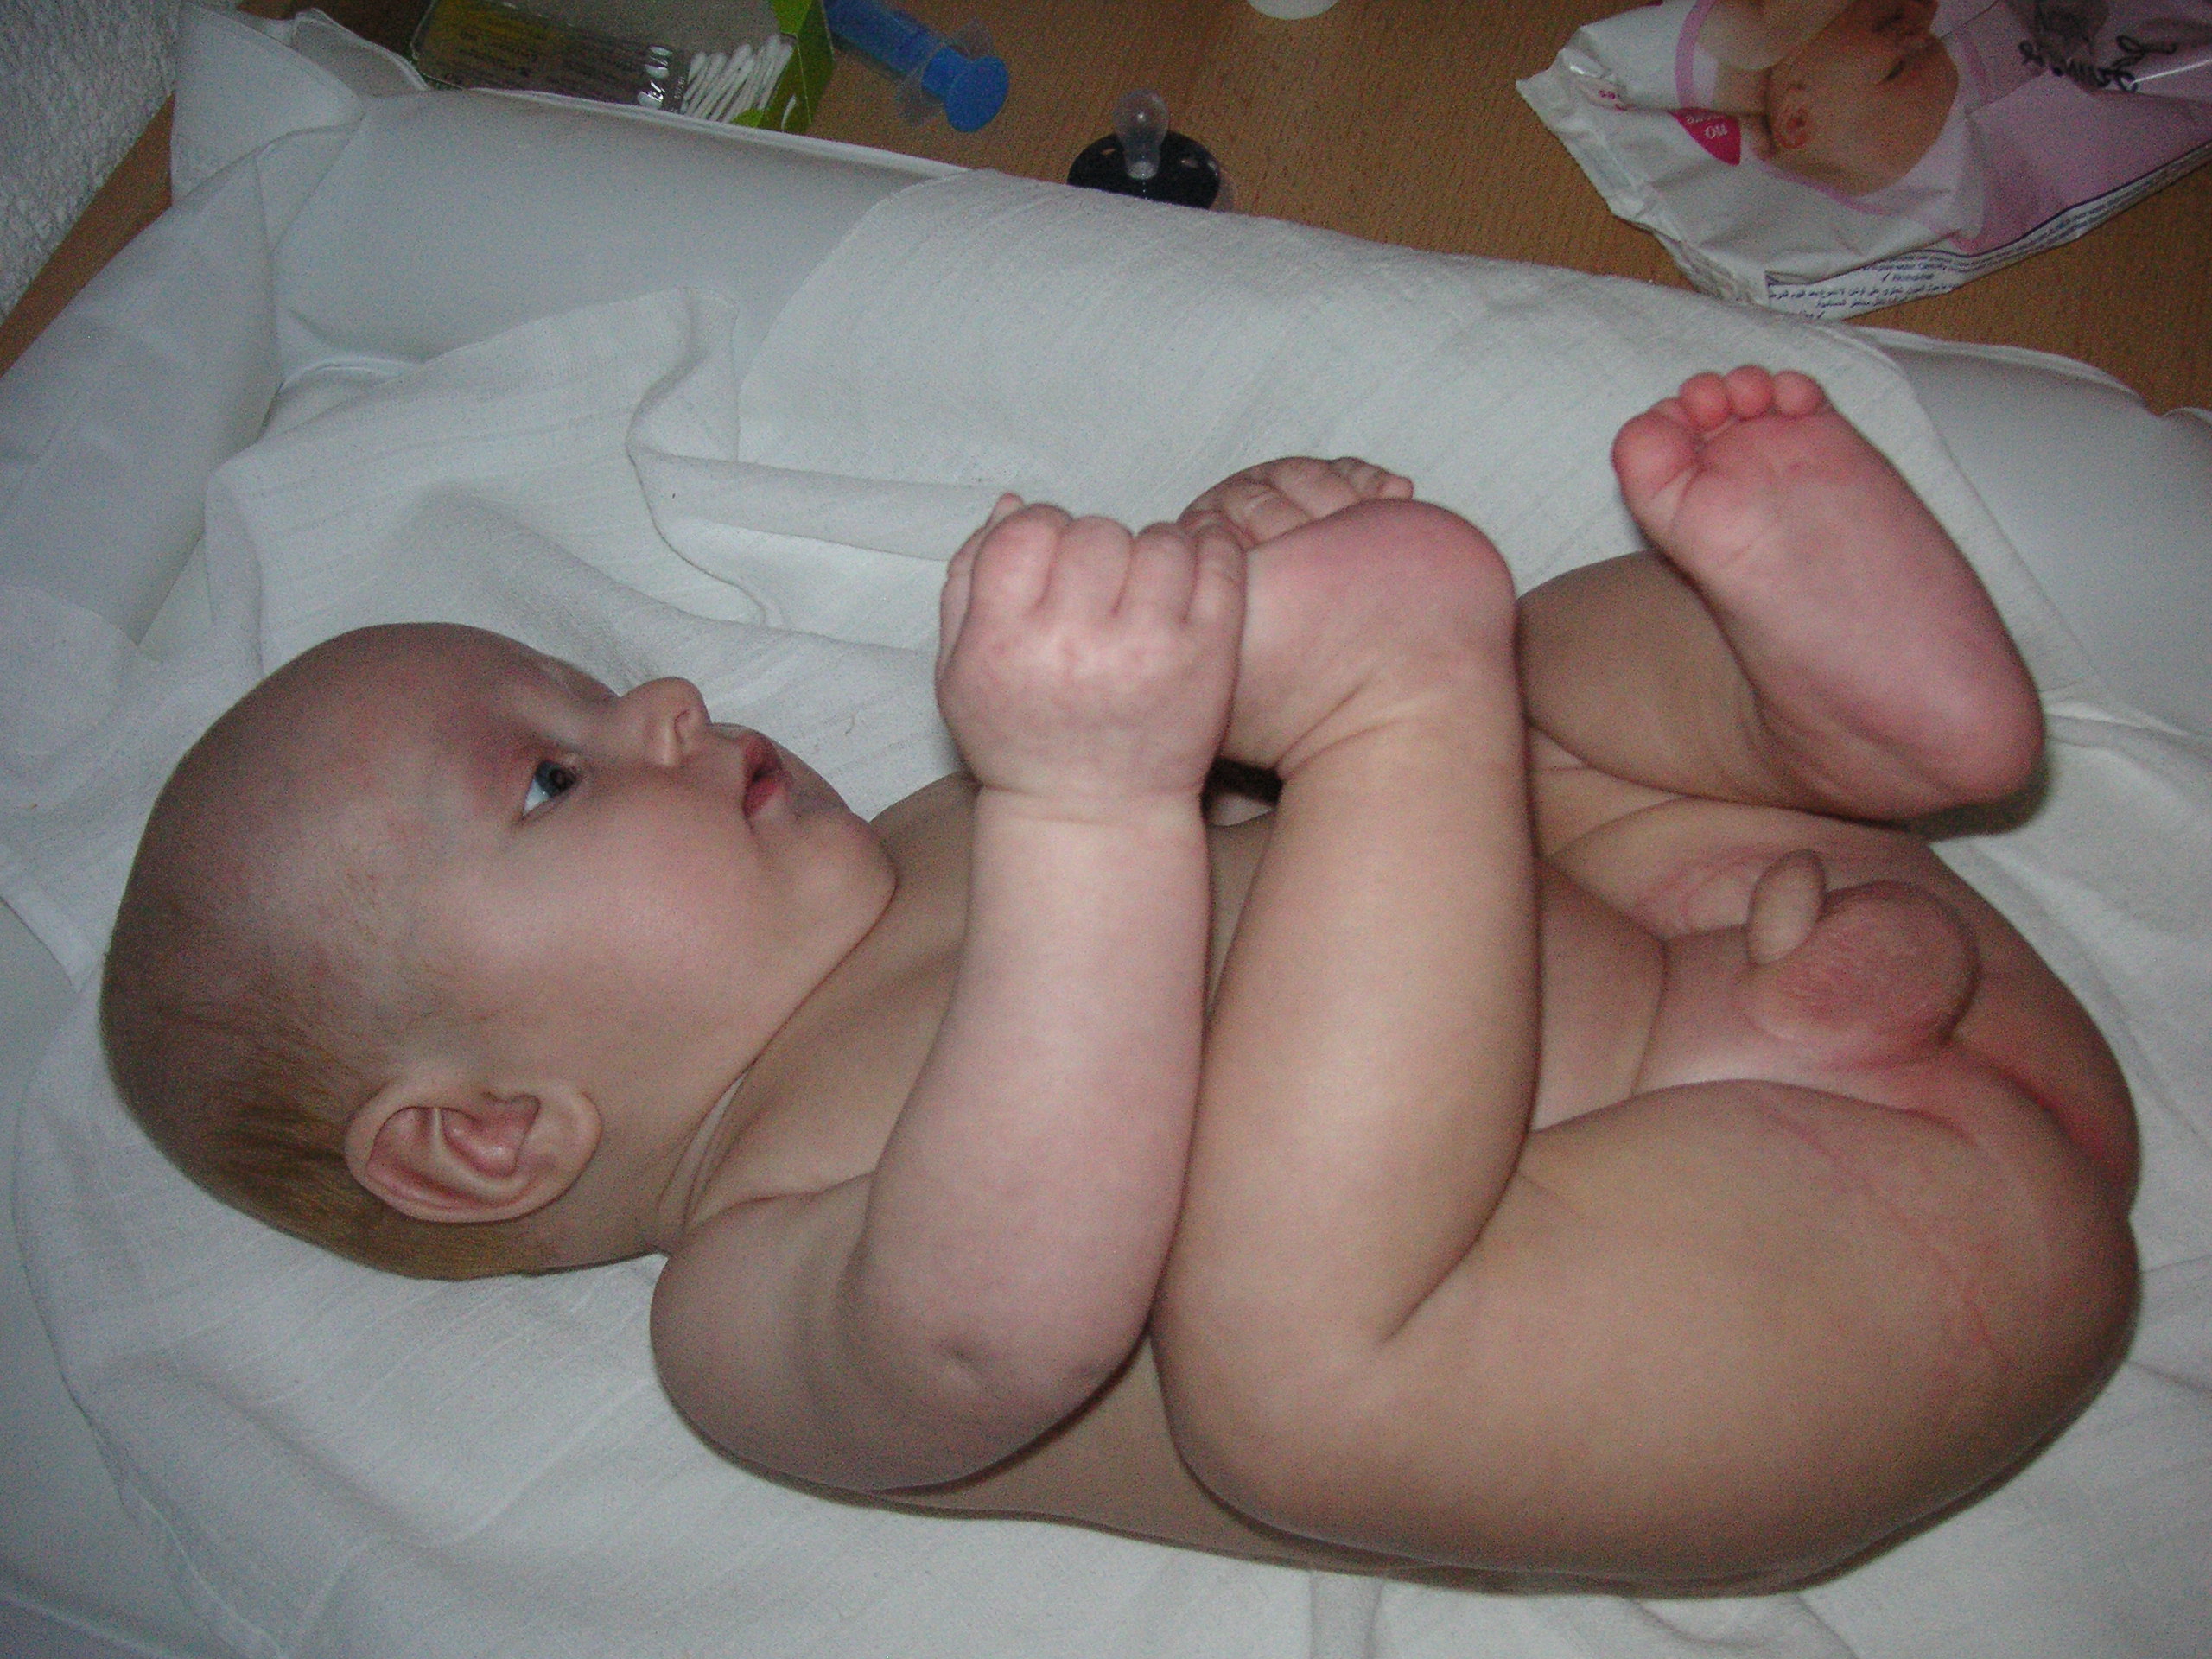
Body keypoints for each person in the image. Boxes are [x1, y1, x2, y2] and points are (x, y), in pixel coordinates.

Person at [100, 366, 2137, 1586]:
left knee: (1519, 704)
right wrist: (1095, 799)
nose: (662, 701)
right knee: (1280, 1387)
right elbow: (997, 1318)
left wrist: (1221, 605)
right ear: (485, 1135)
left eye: (592, 685)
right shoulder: (743, 1304)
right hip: (1807, 1295)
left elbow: (1307, 861)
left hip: (1765, 932)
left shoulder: (941, 827)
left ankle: (1827, 720)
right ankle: (1408, 689)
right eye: (551, 777)